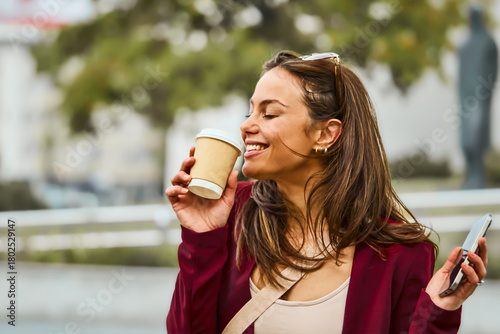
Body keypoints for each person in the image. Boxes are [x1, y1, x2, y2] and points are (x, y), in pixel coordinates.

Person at [165, 51, 488, 334]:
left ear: (327, 133)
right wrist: (201, 236)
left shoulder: (402, 255)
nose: (247, 125)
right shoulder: (231, 217)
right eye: (250, 111)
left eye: (269, 113)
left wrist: (439, 311)